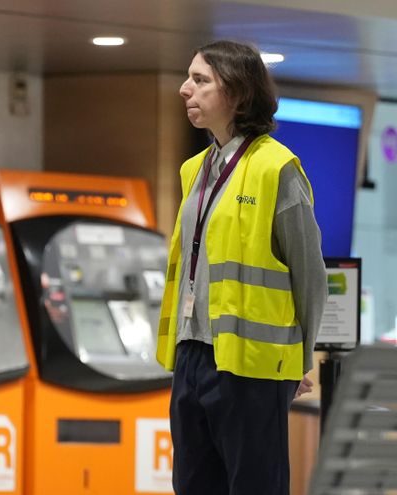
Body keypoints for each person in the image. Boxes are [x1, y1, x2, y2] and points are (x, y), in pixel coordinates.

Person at [156, 40, 328, 495]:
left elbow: (309, 275)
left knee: (254, 485)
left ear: (236, 92)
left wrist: (297, 361)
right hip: (192, 355)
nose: (184, 90)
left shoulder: (278, 168)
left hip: (252, 366)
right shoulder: (195, 169)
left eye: (200, 80)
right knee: (192, 483)